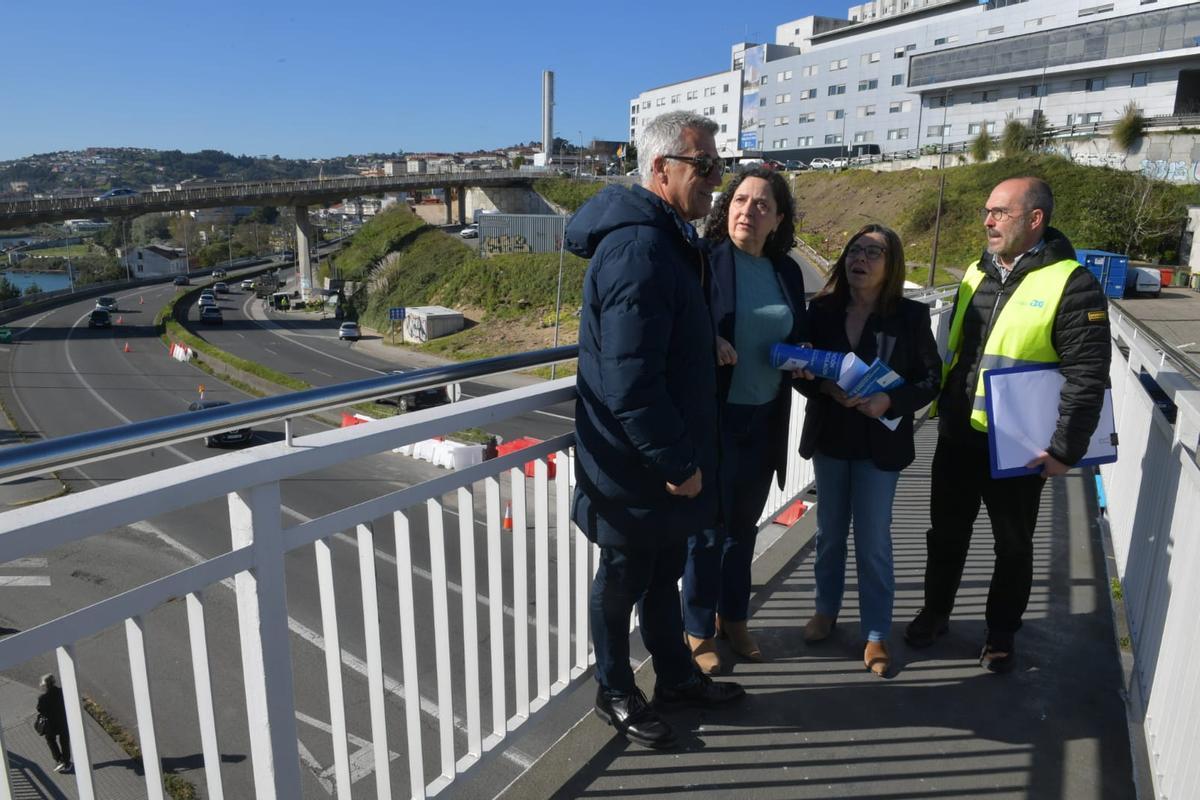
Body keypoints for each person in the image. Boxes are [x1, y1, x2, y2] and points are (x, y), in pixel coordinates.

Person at [565, 110, 745, 750]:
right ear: (661, 169)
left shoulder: (666, 239)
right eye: (706, 166)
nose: (715, 181)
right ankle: (613, 689)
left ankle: (674, 677)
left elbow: (658, 347)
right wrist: (676, 461)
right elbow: (630, 379)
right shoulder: (639, 248)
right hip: (635, 464)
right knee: (623, 579)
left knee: (663, 571)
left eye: (718, 166)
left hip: (658, 458)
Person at [905, 176, 1111, 673]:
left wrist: (1065, 448)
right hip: (957, 435)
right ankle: (935, 613)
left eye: (999, 212)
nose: (987, 221)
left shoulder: (1072, 282)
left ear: (1034, 219)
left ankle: (1001, 634)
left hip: (1018, 445)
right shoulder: (977, 273)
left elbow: (1088, 375)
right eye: (987, 211)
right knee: (945, 535)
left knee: (1013, 546)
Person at [796, 225, 942, 677]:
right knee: (829, 534)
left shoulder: (910, 317)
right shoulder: (820, 310)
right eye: (855, 249)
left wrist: (888, 401)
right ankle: (826, 609)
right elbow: (802, 369)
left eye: (873, 252)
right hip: (831, 438)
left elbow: (930, 380)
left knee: (873, 540)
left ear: (890, 262)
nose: (860, 258)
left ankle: (876, 633)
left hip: (880, 445)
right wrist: (820, 385)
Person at [681, 167, 807, 674]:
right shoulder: (705, 261)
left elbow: (798, 329)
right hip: (716, 417)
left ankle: (734, 617)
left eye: (761, 205)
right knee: (706, 532)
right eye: (739, 200)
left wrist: (801, 356)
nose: (747, 211)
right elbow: (676, 322)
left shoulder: (787, 271)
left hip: (766, 415)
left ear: (778, 219)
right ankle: (697, 627)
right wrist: (704, 341)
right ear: (725, 206)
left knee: (743, 530)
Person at [37, 673, 72, 773]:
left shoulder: (43, 698)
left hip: (51, 724)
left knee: (50, 739)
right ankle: (67, 762)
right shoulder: (62, 691)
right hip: (64, 721)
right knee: (64, 741)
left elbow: (40, 709)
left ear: (45, 685)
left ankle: (59, 759)